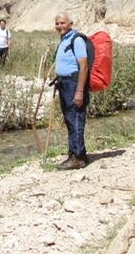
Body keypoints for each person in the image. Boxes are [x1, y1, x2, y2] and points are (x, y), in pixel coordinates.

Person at [53, 12, 89, 170]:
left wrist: (79, 91)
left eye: (63, 23)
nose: (60, 26)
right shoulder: (64, 39)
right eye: (57, 24)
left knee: (75, 119)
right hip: (64, 84)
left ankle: (77, 157)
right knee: (70, 119)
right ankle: (76, 153)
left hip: (73, 84)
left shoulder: (77, 40)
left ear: (70, 24)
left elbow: (84, 67)